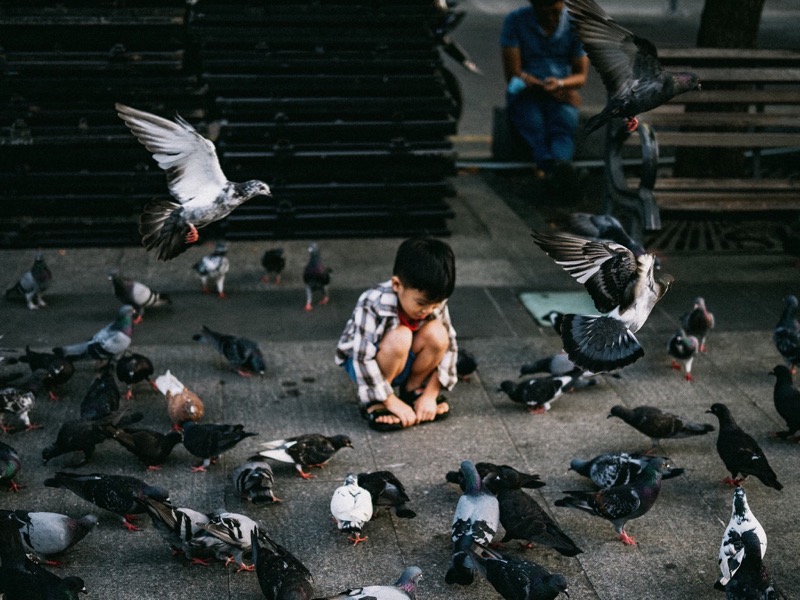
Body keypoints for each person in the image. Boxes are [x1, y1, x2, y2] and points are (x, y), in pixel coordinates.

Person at [335, 237, 458, 432]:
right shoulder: (373, 302)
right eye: (422, 303)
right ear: (396, 285)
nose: (428, 310)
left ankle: (413, 391)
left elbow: (449, 346)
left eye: (435, 304)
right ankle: (378, 401)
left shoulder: (433, 300)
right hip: (367, 363)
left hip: (406, 358)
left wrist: (430, 394)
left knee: (438, 333)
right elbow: (361, 358)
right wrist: (391, 401)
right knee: (402, 336)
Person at [500, 0, 589, 178]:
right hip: (526, 91)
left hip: (561, 90)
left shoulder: (576, 24)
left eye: (555, 13)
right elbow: (513, 74)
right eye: (543, 13)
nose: (550, 18)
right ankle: (556, 168)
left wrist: (561, 84)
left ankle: (558, 166)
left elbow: (581, 76)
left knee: (563, 125)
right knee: (534, 126)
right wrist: (541, 86)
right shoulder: (515, 21)